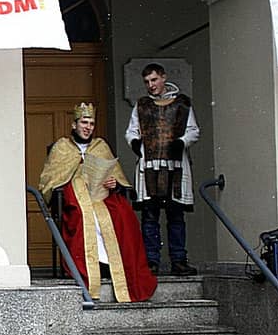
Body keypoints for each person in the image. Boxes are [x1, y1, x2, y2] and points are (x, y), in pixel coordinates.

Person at [39, 104, 158, 303]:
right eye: (84, 123)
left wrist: (114, 183)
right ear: (74, 124)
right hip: (75, 197)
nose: (88, 127)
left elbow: (117, 176)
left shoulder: (100, 146)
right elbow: (50, 181)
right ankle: (91, 270)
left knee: (123, 217)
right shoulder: (62, 147)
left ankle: (115, 267)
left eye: (91, 124)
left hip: (102, 196)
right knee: (85, 217)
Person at [125, 63, 200, 276]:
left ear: (163, 78)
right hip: (150, 166)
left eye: (154, 80)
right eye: (147, 82)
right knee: (150, 216)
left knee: (176, 215)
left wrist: (182, 142)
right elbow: (131, 131)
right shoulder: (142, 105)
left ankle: (179, 260)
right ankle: (151, 261)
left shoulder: (182, 104)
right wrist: (135, 143)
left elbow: (193, 130)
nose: (151, 85)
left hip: (175, 166)